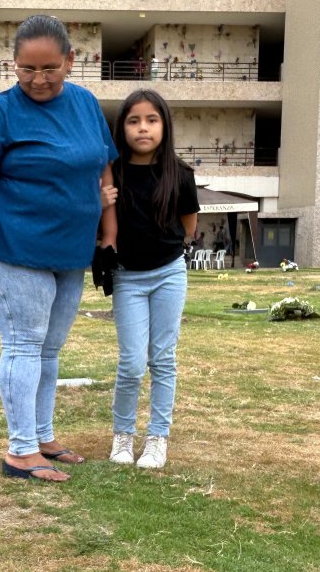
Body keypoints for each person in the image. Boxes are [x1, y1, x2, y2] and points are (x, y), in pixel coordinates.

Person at [0, 15, 117, 483]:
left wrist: (106, 226)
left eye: (49, 68)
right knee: (25, 344)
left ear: (71, 61)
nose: (37, 79)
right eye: (26, 70)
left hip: (72, 250)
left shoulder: (86, 104)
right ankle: (20, 452)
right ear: (13, 65)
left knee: (49, 350)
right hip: (12, 246)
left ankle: (41, 437)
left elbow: (103, 168)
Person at [105, 90, 199, 470]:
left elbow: (188, 228)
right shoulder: (112, 173)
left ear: (164, 125)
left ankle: (157, 438)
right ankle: (123, 436)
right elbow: (101, 227)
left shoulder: (181, 175)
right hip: (127, 278)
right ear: (122, 127)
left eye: (151, 120)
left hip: (169, 274)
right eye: (133, 120)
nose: (143, 128)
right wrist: (100, 201)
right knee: (130, 363)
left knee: (163, 359)